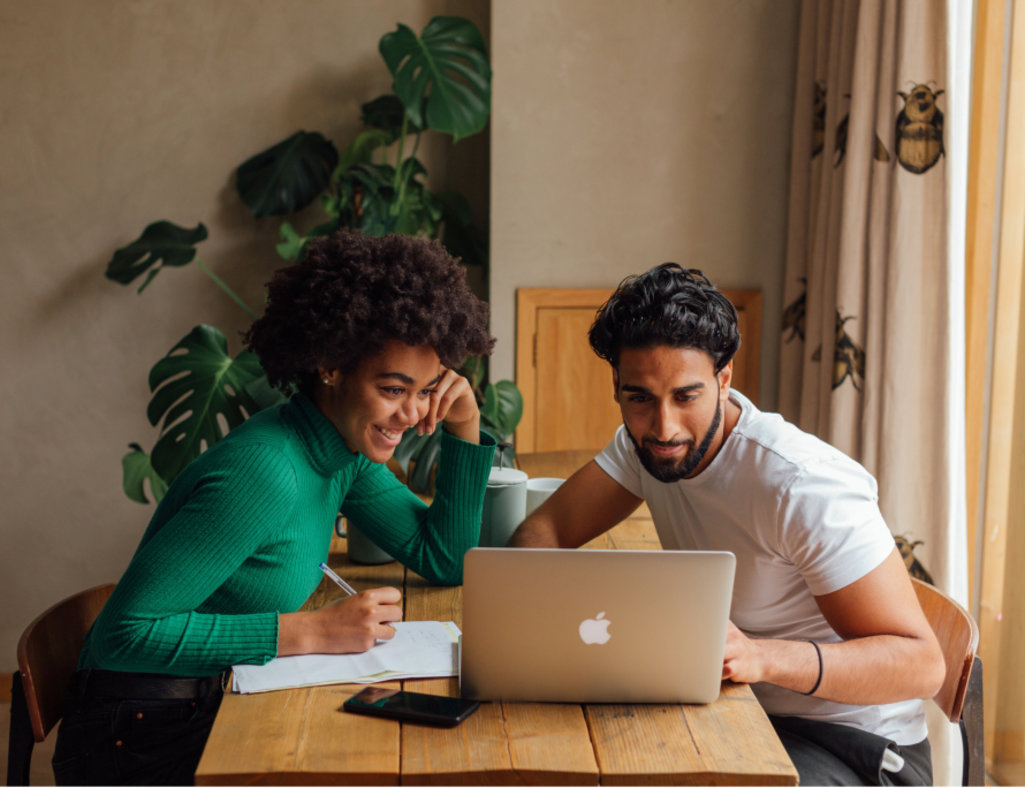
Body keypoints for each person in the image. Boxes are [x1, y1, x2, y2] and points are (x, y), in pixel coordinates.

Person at [53, 230, 498, 785]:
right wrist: (311, 631)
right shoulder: (265, 473)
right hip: (141, 732)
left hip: (215, 699)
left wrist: (464, 424)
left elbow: (443, 558)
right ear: (332, 365)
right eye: (393, 389)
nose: (412, 414)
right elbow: (125, 634)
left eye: (427, 389)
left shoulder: (341, 451)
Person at [509, 263, 945, 786]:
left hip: (856, 747)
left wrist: (762, 658)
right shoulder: (642, 444)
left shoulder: (801, 485)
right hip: (736, 712)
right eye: (640, 398)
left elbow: (922, 665)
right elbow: (547, 531)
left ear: (724, 377)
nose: (663, 427)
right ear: (617, 386)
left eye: (686, 397)